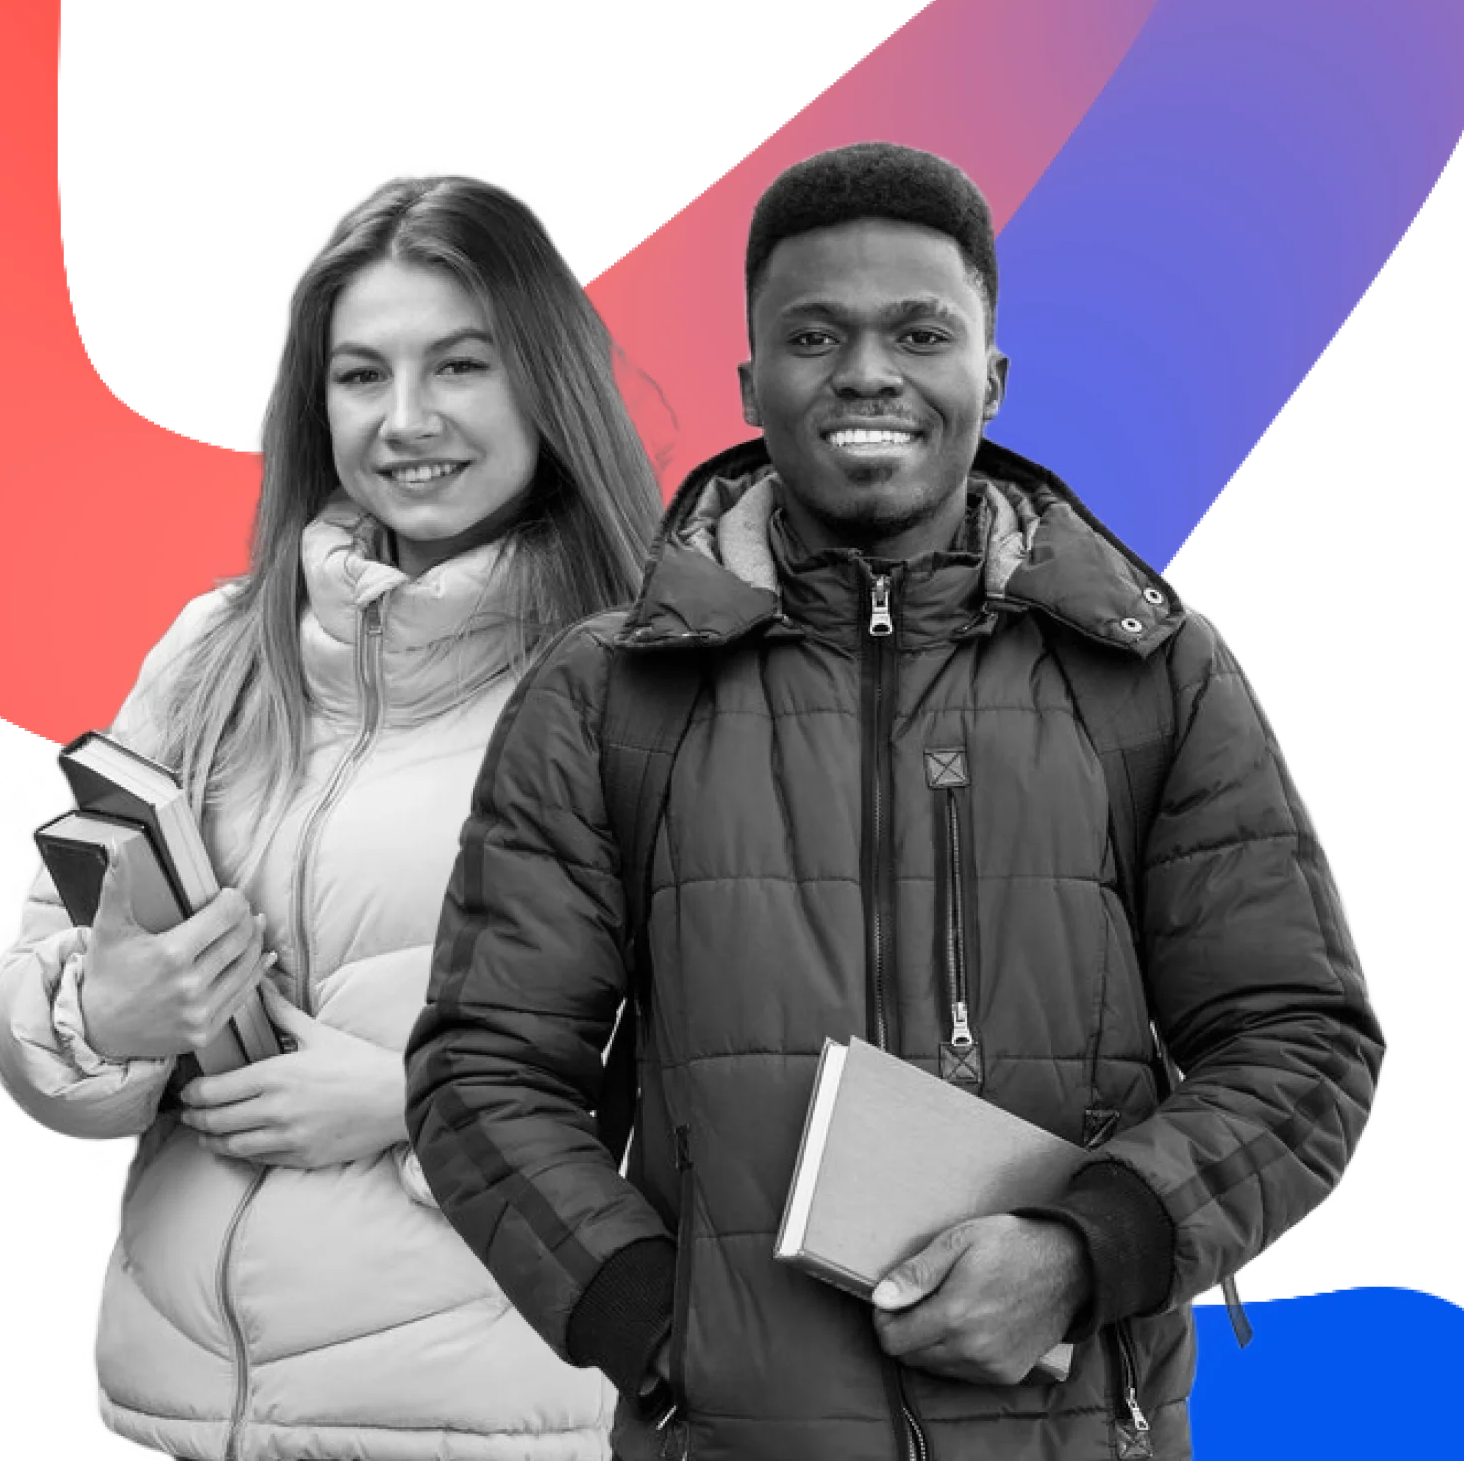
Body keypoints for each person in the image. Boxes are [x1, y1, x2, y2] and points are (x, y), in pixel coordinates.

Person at [404, 142, 1387, 1460]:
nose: (866, 371)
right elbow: (482, 1074)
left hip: (1071, 1431)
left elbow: (1302, 1043)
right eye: (815, 335)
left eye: (919, 332)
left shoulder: (1157, 673)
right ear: (752, 382)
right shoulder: (603, 694)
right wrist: (658, 1325)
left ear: (990, 375)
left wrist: (1085, 1250)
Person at [0, 171, 661, 1459]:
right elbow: (32, 968)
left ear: (548, 383)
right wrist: (103, 1020)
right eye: (360, 376)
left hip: (499, 1423)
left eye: (461, 365)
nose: (406, 421)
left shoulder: (654, 675)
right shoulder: (213, 653)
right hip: (183, 1415)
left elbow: (756, 1052)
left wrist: (430, 1098)